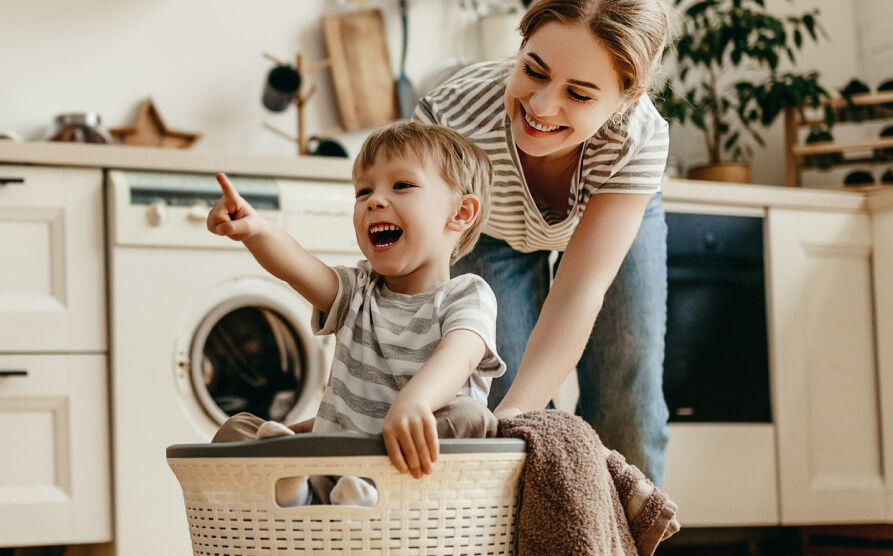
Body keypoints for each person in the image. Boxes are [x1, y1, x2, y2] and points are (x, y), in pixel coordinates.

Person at [414, 0, 675, 485]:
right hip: (490, 230)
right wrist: (512, 420)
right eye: (534, 70)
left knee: (629, 405)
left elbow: (581, 289)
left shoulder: (638, 138)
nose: (541, 107)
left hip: (602, 220)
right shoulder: (449, 118)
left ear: (626, 100)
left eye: (578, 95)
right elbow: (418, 267)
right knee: (507, 394)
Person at [205, 121, 504, 506]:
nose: (374, 201)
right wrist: (255, 230)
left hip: (413, 474)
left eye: (402, 186)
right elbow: (297, 266)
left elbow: (458, 356)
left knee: (472, 419)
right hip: (332, 463)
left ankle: (359, 495)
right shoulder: (358, 290)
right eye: (364, 191)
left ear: (461, 213)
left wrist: (414, 402)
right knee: (238, 430)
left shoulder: (468, 295)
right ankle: (300, 493)